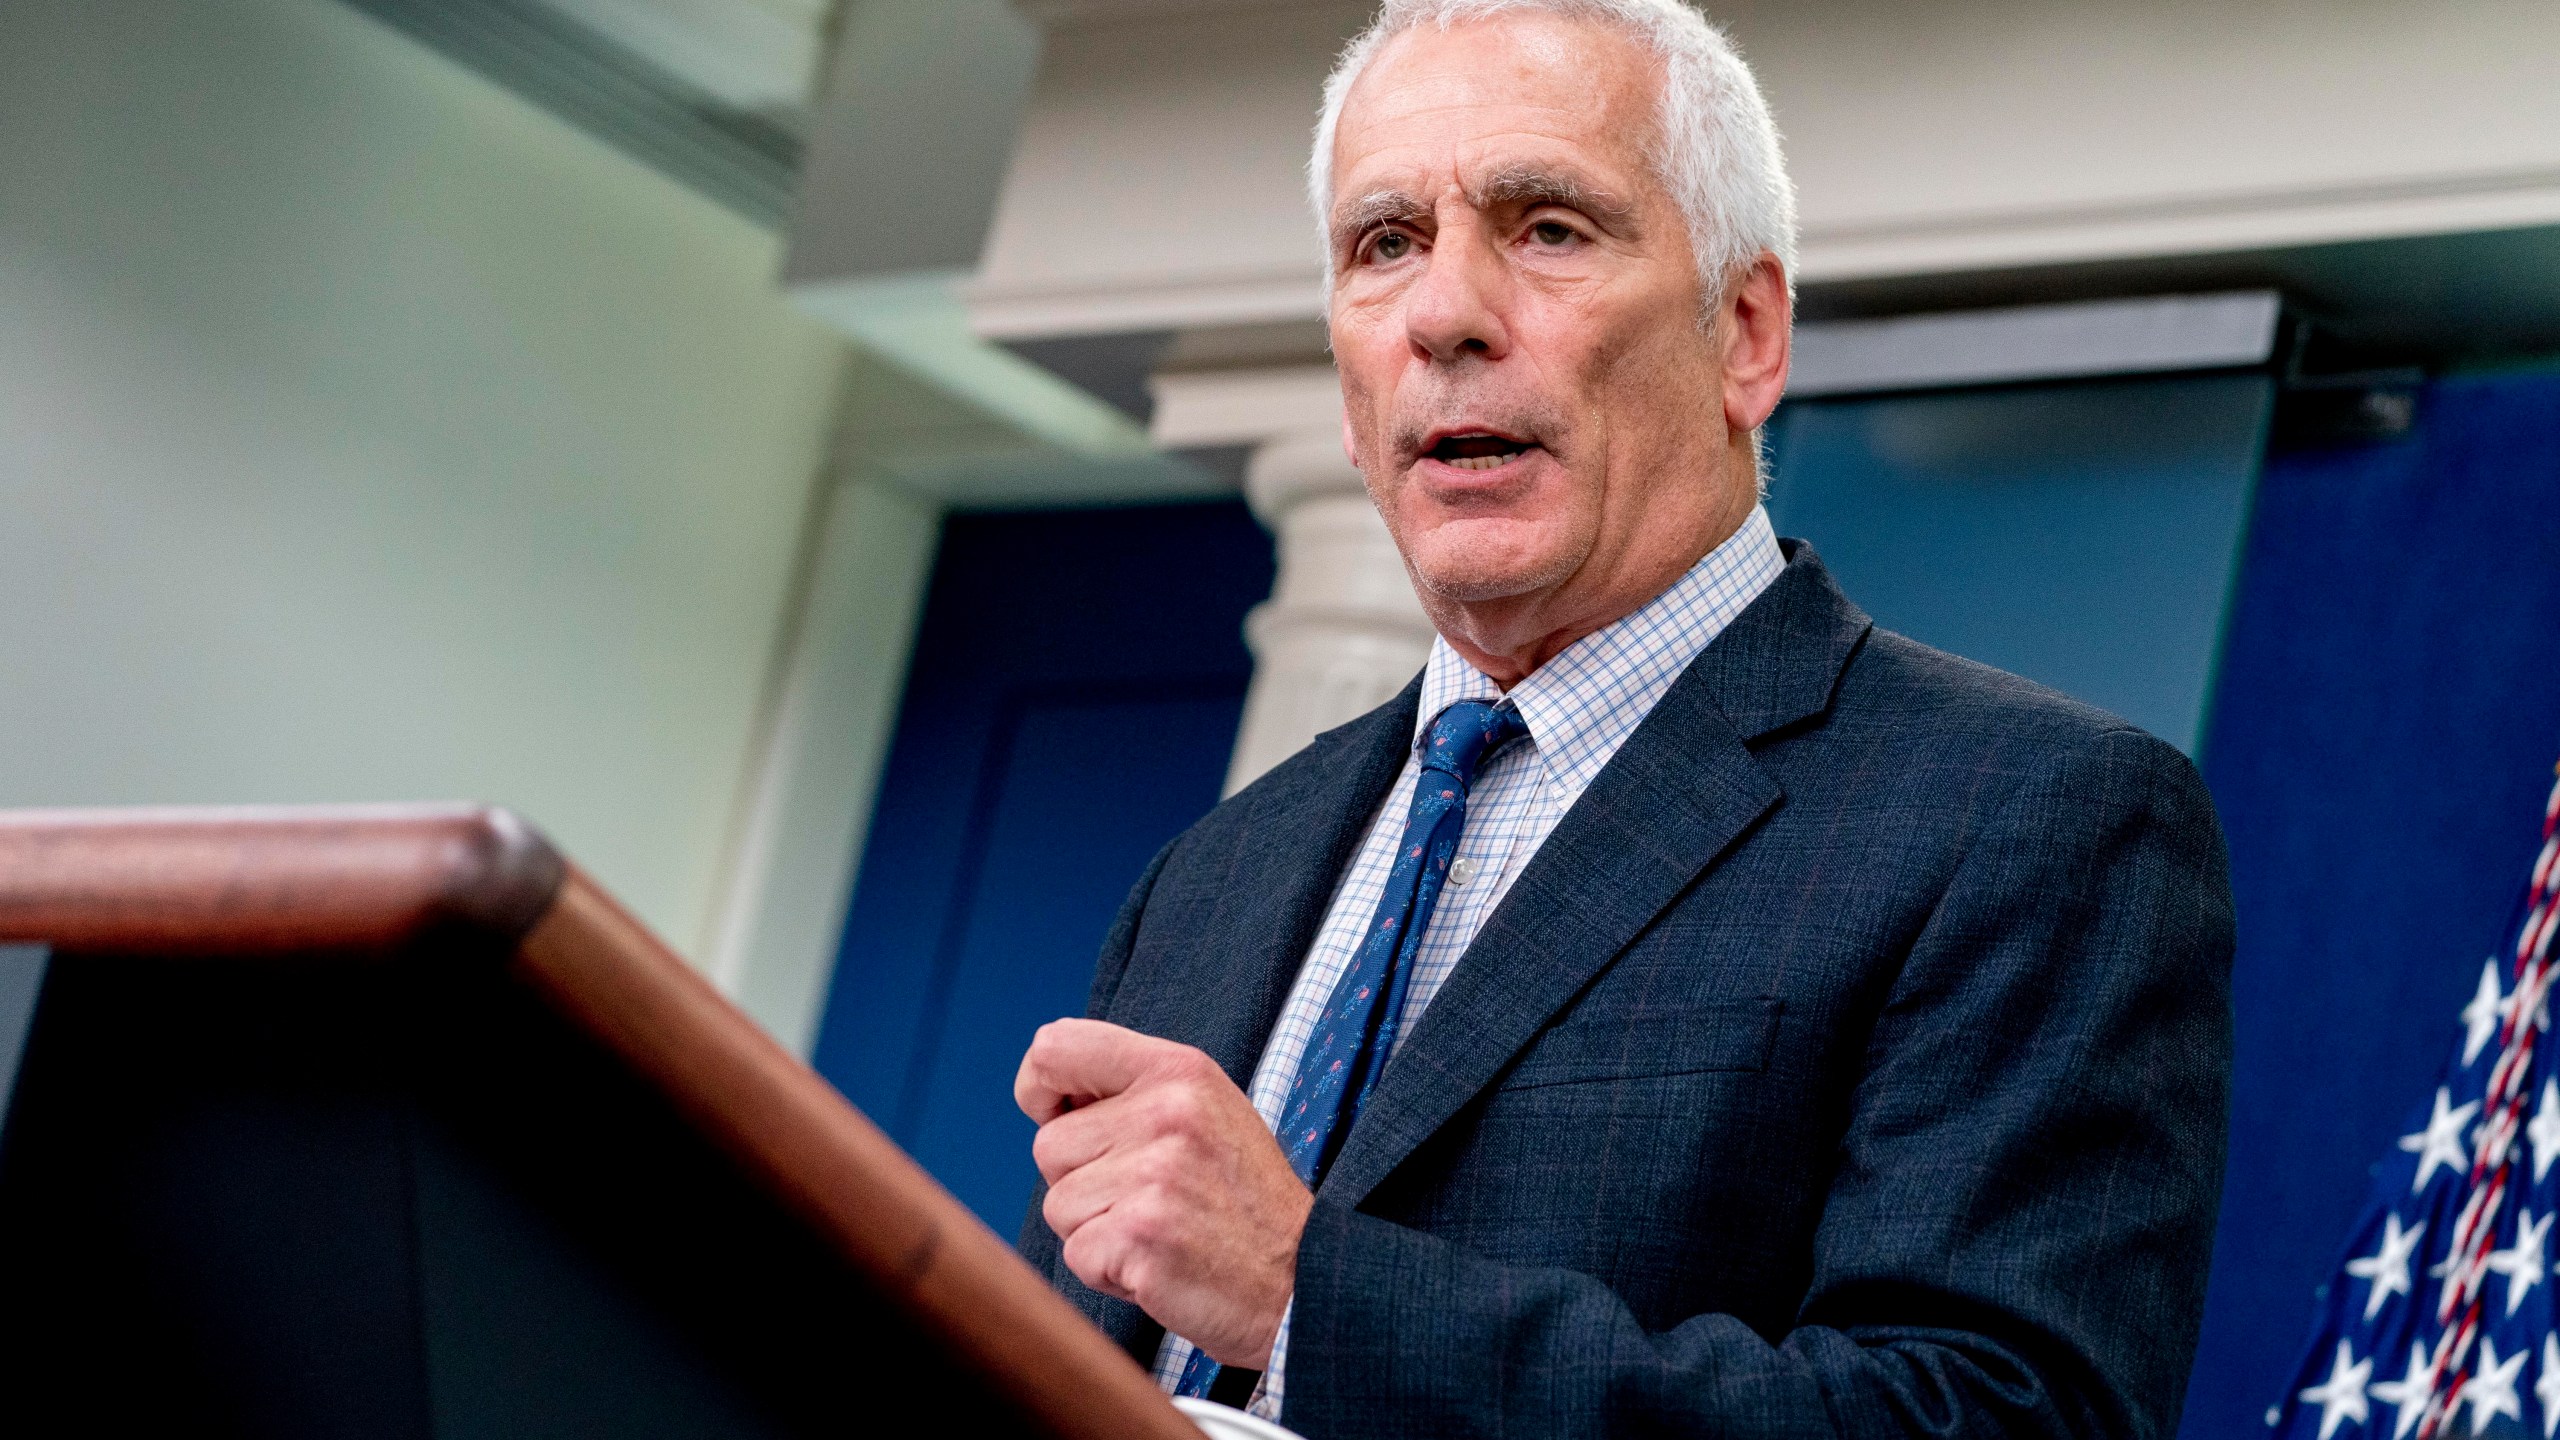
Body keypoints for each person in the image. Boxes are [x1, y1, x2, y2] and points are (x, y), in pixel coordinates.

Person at [1010, 1, 2235, 1435]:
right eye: (1383, 245)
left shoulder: (2033, 820)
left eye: (1548, 228)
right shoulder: (1209, 880)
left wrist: (1306, 1295)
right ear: (1348, 395)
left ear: (1746, 336)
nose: (1443, 313)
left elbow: (1991, 1418)